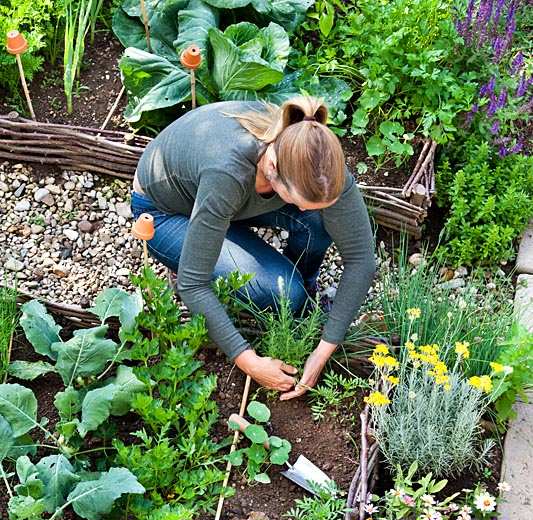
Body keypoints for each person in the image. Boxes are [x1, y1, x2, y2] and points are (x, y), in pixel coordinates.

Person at [131, 96, 376, 400]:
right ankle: (293, 294)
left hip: (225, 203)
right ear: (272, 168)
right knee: (285, 292)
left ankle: (302, 294)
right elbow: (193, 284)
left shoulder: (317, 160)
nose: (304, 207)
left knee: (320, 223)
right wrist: (249, 361)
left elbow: (362, 260)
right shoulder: (228, 171)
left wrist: (325, 347)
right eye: (298, 200)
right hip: (167, 212)